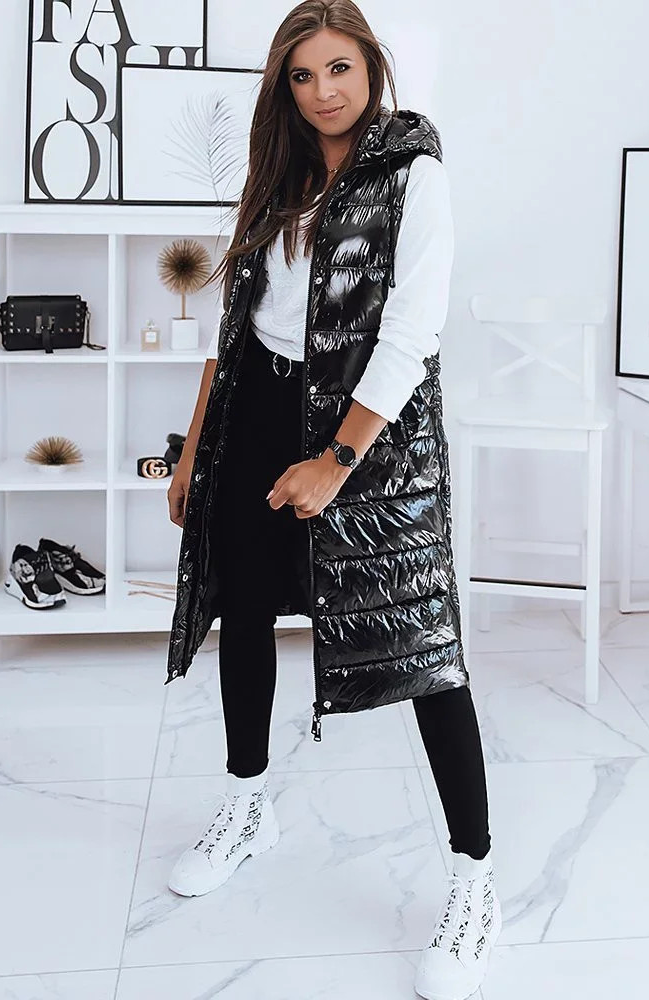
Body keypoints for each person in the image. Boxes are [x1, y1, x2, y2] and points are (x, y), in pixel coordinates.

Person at [165, 3, 501, 997]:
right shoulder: (277, 175)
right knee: (244, 613)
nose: (322, 92)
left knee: (421, 649)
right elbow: (236, 326)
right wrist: (196, 450)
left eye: (338, 68)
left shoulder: (410, 173)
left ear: (371, 65)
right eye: (302, 75)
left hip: (368, 432)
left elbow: (410, 333)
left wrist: (335, 458)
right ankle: (247, 804)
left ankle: (473, 876)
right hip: (255, 414)